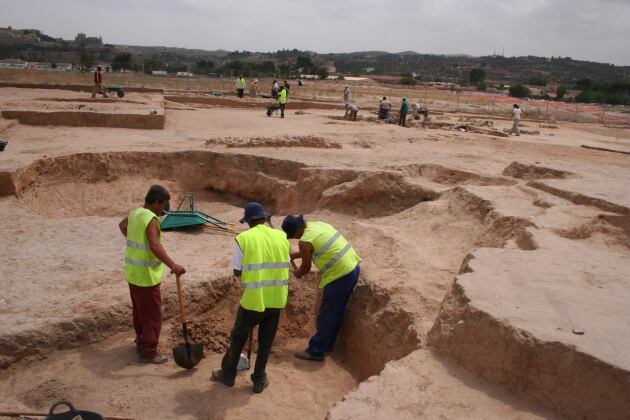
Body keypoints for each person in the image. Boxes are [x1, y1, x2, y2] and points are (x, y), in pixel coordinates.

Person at [212, 203, 290, 394]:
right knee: (266, 340)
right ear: (264, 218)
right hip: (276, 298)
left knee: (238, 337)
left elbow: (237, 271)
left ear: (248, 221)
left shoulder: (243, 238)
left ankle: (228, 374)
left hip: (254, 300)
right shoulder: (281, 236)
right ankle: (259, 379)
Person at [118, 185, 186, 364]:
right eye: (164, 204)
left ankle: (141, 341)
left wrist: (135, 239)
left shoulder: (135, 213)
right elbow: (155, 246)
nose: (165, 208)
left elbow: (122, 226)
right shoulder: (151, 218)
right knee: (152, 315)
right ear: (156, 202)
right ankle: (149, 352)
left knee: (140, 312)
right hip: (146, 276)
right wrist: (173, 265)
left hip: (133, 274)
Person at [281, 215, 361, 361]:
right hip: (352, 266)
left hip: (339, 275)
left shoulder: (304, 241)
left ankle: (316, 351)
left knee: (328, 314)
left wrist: (295, 274)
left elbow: (305, 267)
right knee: (335, 312)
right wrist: (294, 255)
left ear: (298, 230)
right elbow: (314, 248)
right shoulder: (318, 225)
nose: (294, 239)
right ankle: (327, 344)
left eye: (293, 236)